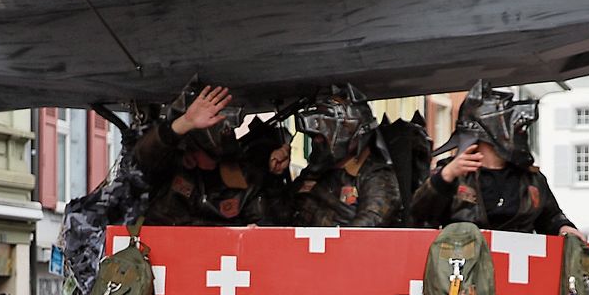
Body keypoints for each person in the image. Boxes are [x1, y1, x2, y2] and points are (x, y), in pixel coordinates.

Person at [410, 85, 583, 236]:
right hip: (466, 266)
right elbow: (419, 215)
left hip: (518, 265)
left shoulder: (531, 180)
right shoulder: (454, 173)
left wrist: (564, 227)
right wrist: (445, 177)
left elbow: (550, 217)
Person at [131, 85, 292, 227]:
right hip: (159, 253)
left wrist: (274, 179)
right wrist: (185, 122)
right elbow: (143, 157)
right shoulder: (167, 170)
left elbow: (273, 227)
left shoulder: (245, 181)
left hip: (220, 258)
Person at [289, 87, 403, 228]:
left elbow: (365, 231)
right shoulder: (316, 173)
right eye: (315, 135)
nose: (317, 140)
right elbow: (280, 221)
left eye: (324, 133)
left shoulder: (377, 178)